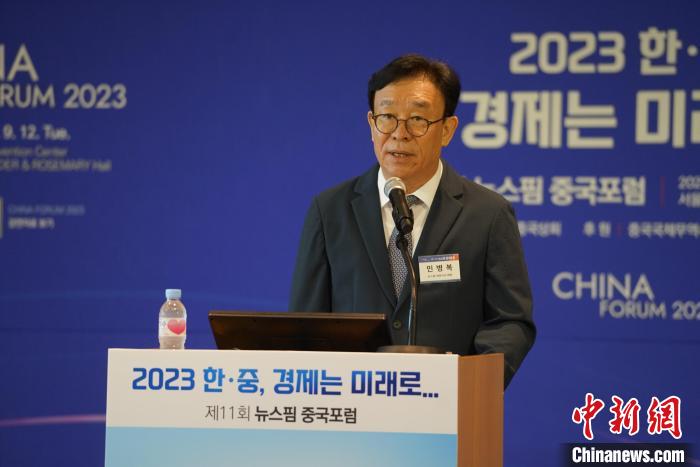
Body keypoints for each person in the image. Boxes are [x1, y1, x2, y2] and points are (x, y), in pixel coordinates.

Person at [289, 54, 535, 387]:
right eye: (387, 117)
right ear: (371, 124)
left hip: (447, 404)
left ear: (447, 130)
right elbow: (306, 324)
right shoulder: (330, 210)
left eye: (418, 119)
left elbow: (510, 322)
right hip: (353, 403)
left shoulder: (488, 214)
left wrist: (471, 383)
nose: (399, 134)